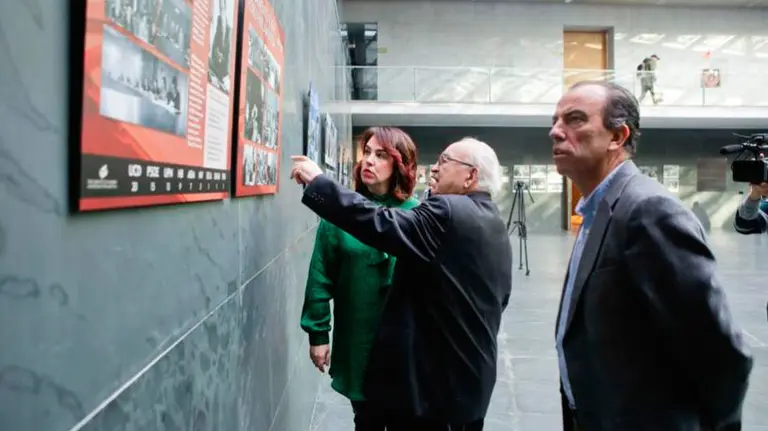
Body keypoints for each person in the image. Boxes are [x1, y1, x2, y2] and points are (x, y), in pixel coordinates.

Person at [550, 80, 753, 431]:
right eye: (554, 121)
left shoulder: (649, 210)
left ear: (618, 136)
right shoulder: (601, 209)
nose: (555, 132)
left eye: (575, 119)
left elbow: (719, 351)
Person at [291, 137, 512, 431]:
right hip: (470, 382)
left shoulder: (446, 212)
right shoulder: (492, 220)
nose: (434, 168)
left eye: (444, 161)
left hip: (435, 390)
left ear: (470, 175)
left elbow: (378, 222)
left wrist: (320, 183)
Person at [300, 126, 420, 431]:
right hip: (359, 340)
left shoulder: (418, 215)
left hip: (407, 345)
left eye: (380, 155)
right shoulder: (340, 216)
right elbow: (320, 277)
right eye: (366, 152)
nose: (368, 160)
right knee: (366, 419)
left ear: (400, 164)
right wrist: (318, 335)